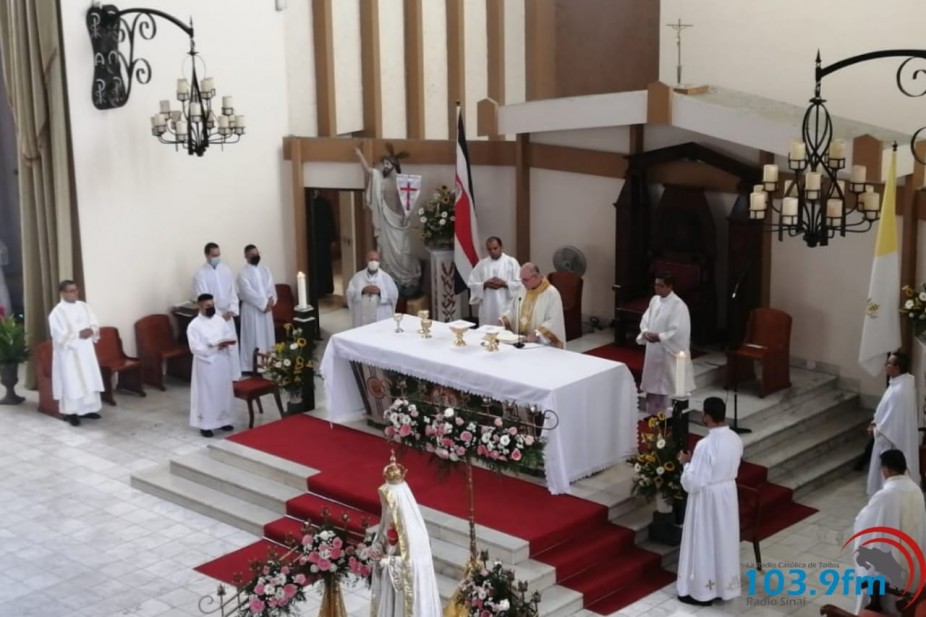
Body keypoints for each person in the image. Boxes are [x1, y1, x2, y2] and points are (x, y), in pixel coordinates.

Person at [676, 397, 743, 607]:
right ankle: (723, 587)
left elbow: (693, 483)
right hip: (727, 495)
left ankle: (702, 591)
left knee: (704, 542)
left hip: (707, 500)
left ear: (706, 416)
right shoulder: (735, 439)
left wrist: (685, 464)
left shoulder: (705, 445)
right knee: (723, 540)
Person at [852, 449, 926, 615]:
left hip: (893, 573)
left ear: (887, 469)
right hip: (914, 563)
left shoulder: (886, 495)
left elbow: (865, 522)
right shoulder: (915, 488)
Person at [370, 453, 442, 617]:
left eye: (389, 501)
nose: (387, 505)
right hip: (391, 583)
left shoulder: (415, 529)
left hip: (403, 586)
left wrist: (389, 561)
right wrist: (376, 547)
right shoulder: (389, 513)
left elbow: (415, 565)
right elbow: (383, 535)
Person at [355, 146, 421, 298]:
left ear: (394, 165)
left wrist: (406, 216)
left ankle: (406, 280)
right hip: (385, 220)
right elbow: (367, 170)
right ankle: (392, 282)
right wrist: (359, 154)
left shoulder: (402, 182)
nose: (385, 166)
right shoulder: (379, 179)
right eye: (383, 163)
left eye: (387, 164)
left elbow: (408, 202)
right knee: (387, 253)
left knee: (403, 253)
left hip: (400, 223)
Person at [637, 272, 694, 416]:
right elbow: (646, 318)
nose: (657, 288)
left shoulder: (678, 305)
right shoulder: (654, 300)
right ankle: (653, 415)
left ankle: (668, 418)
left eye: (661, 286)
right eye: (655, 285)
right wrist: (645, 332)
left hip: (668, 353)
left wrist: (660, 337)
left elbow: (680, 331)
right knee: (653, 386)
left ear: (670, 286)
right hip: (653, 352)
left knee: (667, 387)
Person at [48, 280, 105, 427]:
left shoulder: (84, 306)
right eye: (71, 291)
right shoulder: (57, 313)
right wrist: (78, 334)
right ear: (62, 293)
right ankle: (71, 412)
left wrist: (91, 330)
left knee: (88, 378)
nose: (75, 293)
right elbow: (58, 335)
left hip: (86, 351)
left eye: (76, 290)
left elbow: (94, 322)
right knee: (72, 382)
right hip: (69, 354)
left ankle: (88, 409)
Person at [867, 351, 919, 496]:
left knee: (885, 484)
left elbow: (892, 425)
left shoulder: (900, 391)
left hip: (890, 443)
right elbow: (887, 411)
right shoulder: (902, 383)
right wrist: (875, 421)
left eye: (889, 363)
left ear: (897, 368)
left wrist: (876, 429)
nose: (885, 365)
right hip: (888, 437)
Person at [187, 293, 236, 438]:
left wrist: (226, 344)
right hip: (206, 364)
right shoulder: (194, 326)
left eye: (212, 305)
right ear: (200, 306)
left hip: (221, 362)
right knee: (208, 395)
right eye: (208, 306)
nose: (211, 308)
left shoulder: (219, 320)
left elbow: (230, 335)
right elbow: (195, 347)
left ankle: (224, 420)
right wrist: (213, 348)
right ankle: (206, 424)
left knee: (223, 391)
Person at [193, 242, 241, 380]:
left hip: (228, 314)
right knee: (218, 347)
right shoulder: (200, 275)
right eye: (214, 255)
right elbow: (204, 297)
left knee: (231, 345)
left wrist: (232, 310)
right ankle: (221, 377)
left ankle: (234, 376)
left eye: (218, 254)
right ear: (206, 255)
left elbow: (232, 292)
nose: (217, 257)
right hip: (213, 317)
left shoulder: (225, 269)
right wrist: (219, 315)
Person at [498, 263, 566, 349]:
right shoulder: (523, 290)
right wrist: (504, 320)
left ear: (536, 277)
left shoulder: (552, 294)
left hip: (541, 345)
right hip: (521, 341)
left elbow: (553, 321)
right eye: (521, 279)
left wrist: (537, 334)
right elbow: (513, 309)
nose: (522, 283)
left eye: (525, 280)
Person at [236, 244, 276, 373]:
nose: (255, 256)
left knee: (267, 335)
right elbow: (247, 293)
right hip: (252, 310)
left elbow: (270, 287)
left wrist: (270, 301)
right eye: (252, 255)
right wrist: (263, 304)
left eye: (256, 253)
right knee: (253, 337)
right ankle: (251, 366)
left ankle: (268, 363)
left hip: (266, 311)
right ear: (246, 257)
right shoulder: (243, 273)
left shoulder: (265, 269)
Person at [467, 237, 521, 327]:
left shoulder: (511, 262)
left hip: (505, 306)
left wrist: (505, 284)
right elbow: (472, 283)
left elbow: (520, 284)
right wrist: (484, 285)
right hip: (487, 307)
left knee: (504, 334)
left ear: (501, 247)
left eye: (495, 248)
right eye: (489, 249)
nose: (492, 251)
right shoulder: (482, 264)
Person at [346, 250, 399, 328]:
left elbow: (394, 295)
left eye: (376, 260)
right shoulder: (358, 277)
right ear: (366, 260)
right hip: (362, 317)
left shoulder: (386, 278)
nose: (373, 262)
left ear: (379, 261)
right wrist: (362, 291)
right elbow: (349, 292)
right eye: (371, 259)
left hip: (381, 316)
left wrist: (380, 292)